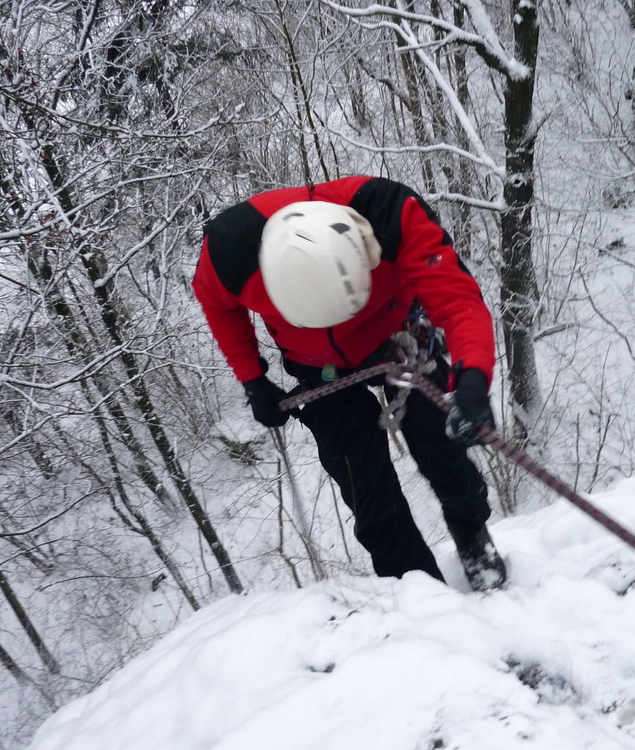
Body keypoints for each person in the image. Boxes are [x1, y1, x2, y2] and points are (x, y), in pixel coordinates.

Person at [192, 176, 507, 591]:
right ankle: (413, 585)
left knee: (439, 443)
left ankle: (471, 535)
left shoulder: (393, 214)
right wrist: (253, 379)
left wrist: (472, 379)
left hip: (399, 333)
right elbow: (217, 306)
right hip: (315, 362)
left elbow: (458, 300)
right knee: (362, 484)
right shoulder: (228, 252)